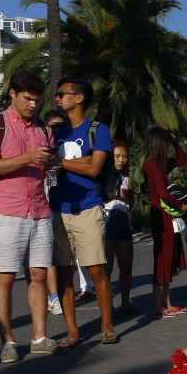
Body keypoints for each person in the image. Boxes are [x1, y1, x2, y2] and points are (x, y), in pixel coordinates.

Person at [0, 71, 66, 362]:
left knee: (39, 275)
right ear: (12, 94)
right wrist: (28, 158)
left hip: (40, 209)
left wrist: (53, 164)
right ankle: (8, 342)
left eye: (36, 100)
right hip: (5, 210)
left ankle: (39, 337)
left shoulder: (45, 130)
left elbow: (48, 166)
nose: (33, 105)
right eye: (27, 99)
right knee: (5, 277)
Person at [49, 77, 116, 345]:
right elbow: (51, 165)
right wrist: (76, 161)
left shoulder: (98, 129)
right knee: (64, 272)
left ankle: (107, 325)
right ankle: (72, 331)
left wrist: (63, 162)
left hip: (88, 208)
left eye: (62, 94)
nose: (57, 98)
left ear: (79, 98)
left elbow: (93, 169)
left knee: (96, 270)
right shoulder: (53, 132)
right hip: (57, 209)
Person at [142, 127, 187, 318]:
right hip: (161, 216)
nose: (168, 147)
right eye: (166, 143)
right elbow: (162, 193)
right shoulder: (152, 165)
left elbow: (181, 159)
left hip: (164, 216)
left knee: (167, 259)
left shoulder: (158, 164)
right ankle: (157, 306)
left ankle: (166, 303)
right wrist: (181, 205)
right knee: (162, 260)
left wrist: (176, 141)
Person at [104, 139, 137, 314]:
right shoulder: (103, 176)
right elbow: (100, 197)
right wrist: (116, 193)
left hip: (123, 222)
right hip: (107, 221)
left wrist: (129, 196)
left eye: (124, 156)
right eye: (117, 156)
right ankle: (107, 304)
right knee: (107, 268)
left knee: (126, 265)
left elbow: (131, 204)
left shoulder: (127, 178)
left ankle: (125, 301)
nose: (121, 160)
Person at [41, 109, 65, 317]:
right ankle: (48, 297)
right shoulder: (39, 152)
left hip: (54, 212)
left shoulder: (63, 154)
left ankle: (54, 296)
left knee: (51, 258)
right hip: (33, 212)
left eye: (60, 126)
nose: (56, 131)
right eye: (53, 126)